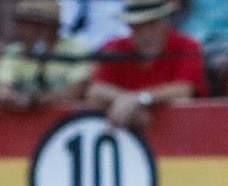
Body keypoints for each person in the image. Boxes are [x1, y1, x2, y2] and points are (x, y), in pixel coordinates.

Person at [85, 0, 207, 129]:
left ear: (165, 22)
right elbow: (96, 90)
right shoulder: (115, 48)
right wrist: (127, 101)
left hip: (186, 134)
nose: (146, 34)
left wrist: (139, 100)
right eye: (138, 26)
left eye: (152, 24)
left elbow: (184, 90)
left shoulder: (187, 46)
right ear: (130, 27)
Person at [0, 0, 92, 107]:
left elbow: (76, 91)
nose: (25, 30)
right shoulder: (14, 51)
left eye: (38, 24)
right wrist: (5, 94)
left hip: (68, 121)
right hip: (22, 121)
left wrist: (34, 100)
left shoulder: (75, 49)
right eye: (23, 23)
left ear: (54, 27)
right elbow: (1, 85)